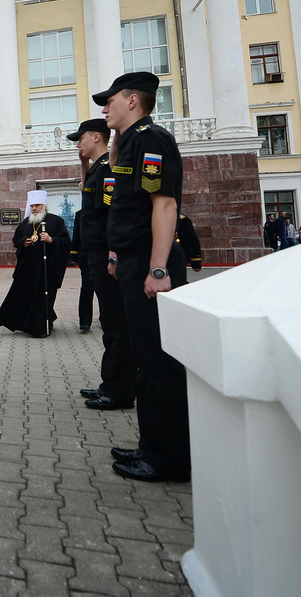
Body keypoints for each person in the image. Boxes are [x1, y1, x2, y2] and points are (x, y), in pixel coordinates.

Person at [97, 71, 191, 483]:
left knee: (159, 362)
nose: (105, 108)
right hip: (134, 261)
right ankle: (152, 446)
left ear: (133, 101)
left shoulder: (150, 138)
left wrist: (157, 268)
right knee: (146, 359)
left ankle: (169, 459)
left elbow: (164, 205)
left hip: (151, 265)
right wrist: (119, 255)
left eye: (110, 100)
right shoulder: (131, 141)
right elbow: (127, 208)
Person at [71, 118, 134, 411]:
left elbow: (112, 216)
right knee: (109, 322)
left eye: (80, 139)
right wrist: (83, 163)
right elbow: (86, 191)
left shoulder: (108, 168)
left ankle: (119, 390)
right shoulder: (96, 168)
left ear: (96, 137)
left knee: (115, 323)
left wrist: (113, 254)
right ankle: (110, 383)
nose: (77, 144)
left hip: (105, 253)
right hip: (93, 253)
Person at [0, 190, 70, 338]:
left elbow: (67, 243)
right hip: (28, 268)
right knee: (26, 297)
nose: (34, 208)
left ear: (45, 206)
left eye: (37, 205)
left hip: (47, 268)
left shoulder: (56, 221)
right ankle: (26, 323)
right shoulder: (25, 223)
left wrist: (51, 240)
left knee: (43, 298)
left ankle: (40, 327)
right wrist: (24, 242)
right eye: (32, 206)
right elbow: (16, 240)